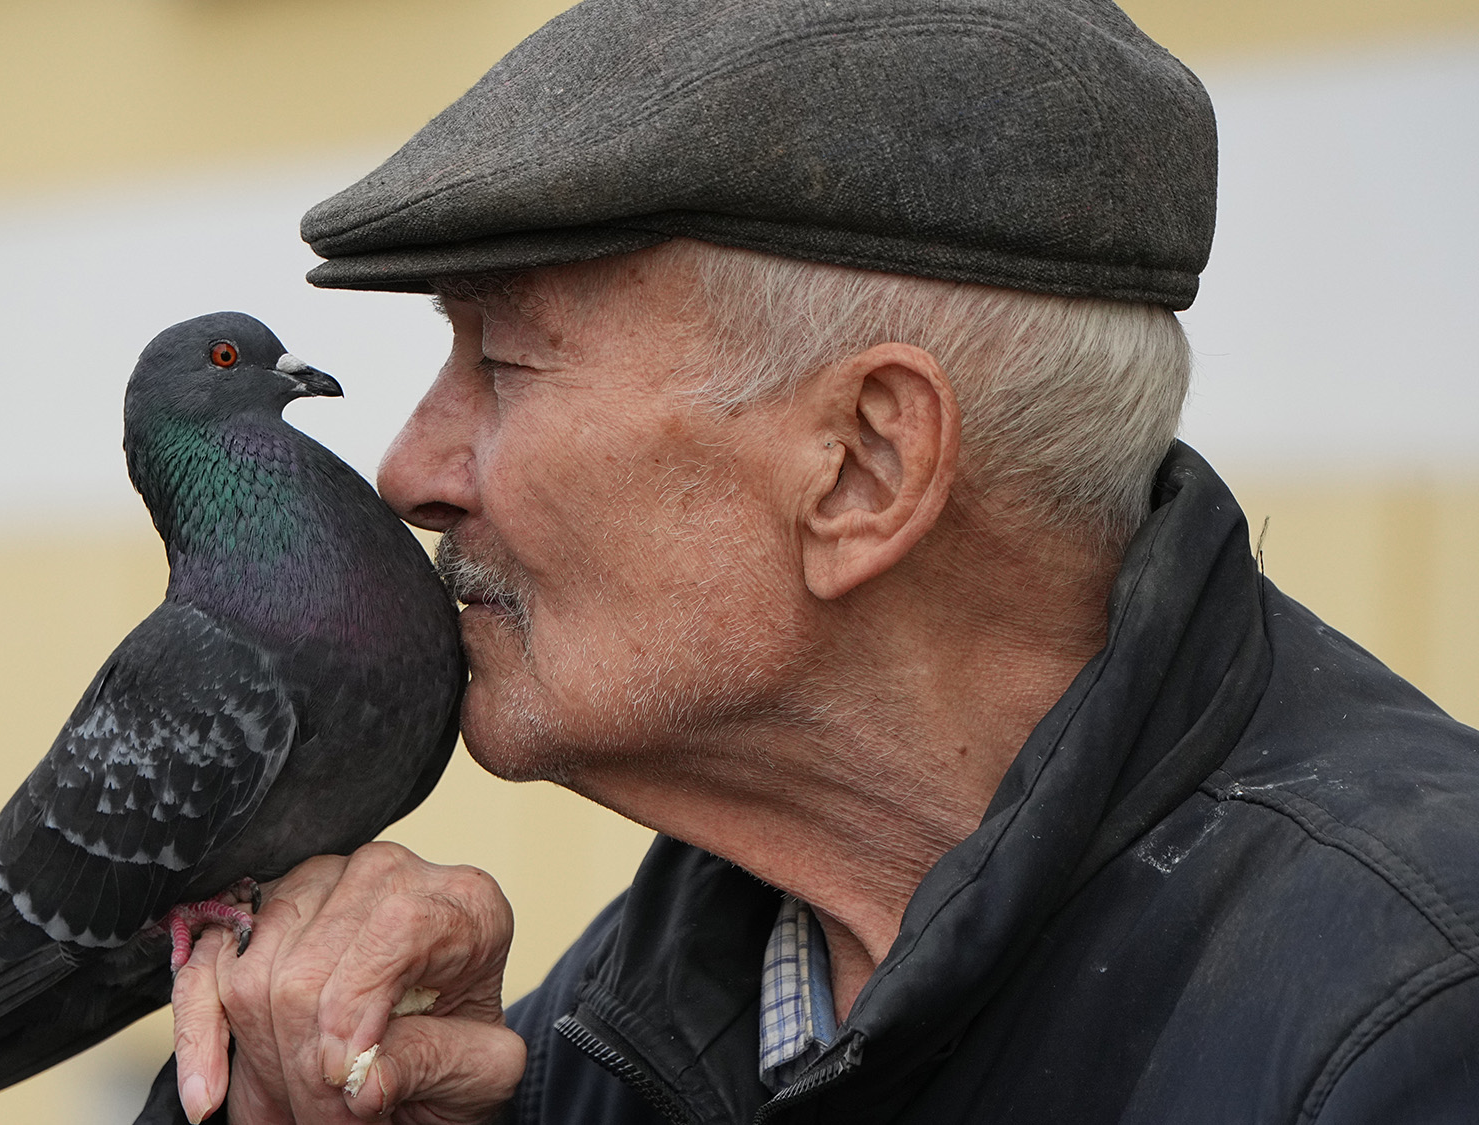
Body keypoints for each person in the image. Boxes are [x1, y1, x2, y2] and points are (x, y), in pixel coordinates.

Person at [152, 1, 1479, 1122]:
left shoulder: (1407, 1021)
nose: (410, 473)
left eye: (501, 363)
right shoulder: (654, 999)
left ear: (863, 467)